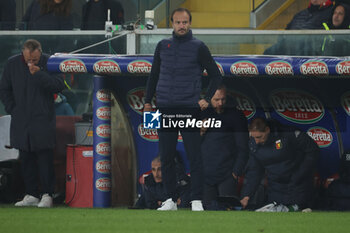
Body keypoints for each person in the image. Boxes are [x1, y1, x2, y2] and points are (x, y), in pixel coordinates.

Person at [143, 8, 222, 211]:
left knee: (194, 155)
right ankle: (170, 200)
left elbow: (216, 75)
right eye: (178, 22)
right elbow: (153, 76)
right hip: (164, 108)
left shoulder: (199, 47)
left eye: (185, 22)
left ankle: (196, 199)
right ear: (172, 24)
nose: (181, 26)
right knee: (166, 156)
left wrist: (206, 99)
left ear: (190, 23)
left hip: (189, 107)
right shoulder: (162, 46)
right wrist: (147, 102)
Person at [0, 39, 65, 207]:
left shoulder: (50, 62)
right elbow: (5, 88)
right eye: (28, 59)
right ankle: (31, 194)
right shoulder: (12, 64)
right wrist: (12, 109)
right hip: (21, 119)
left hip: (42, 119)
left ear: (40, 53)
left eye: (34, 60)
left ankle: (47, 194)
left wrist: (39, 73)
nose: (31, 62)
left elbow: (58, 85)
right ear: (23, 53)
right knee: (26, 157)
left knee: (44, 158)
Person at [240, 117, 319, 212]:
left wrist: (299, 174)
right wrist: (247, 196)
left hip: (298, 185)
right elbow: (254, 172)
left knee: (298, 216)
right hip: (275, 188)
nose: (256, 141)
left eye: (259, 137)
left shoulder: (289, 134)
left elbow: (313, 151)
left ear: (267, 130)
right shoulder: (254, 144)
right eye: (253, 137)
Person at [200, 85, 249, 210]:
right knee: (207, 212)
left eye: (223, 99)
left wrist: (236, 172)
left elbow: (243, 147)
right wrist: (199, 132)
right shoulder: (202, 113)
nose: (220, 103)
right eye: (217, 100)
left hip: (227, 174)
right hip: (206, 173)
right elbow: (191, 145)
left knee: (228, 212)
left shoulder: (236, 116)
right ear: (209, 98)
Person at [264, 0, 334, 55]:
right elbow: (286, 31)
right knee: (268, 53)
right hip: (289, 46)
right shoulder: (300, 14)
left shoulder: (331, 13)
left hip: (310, 49)